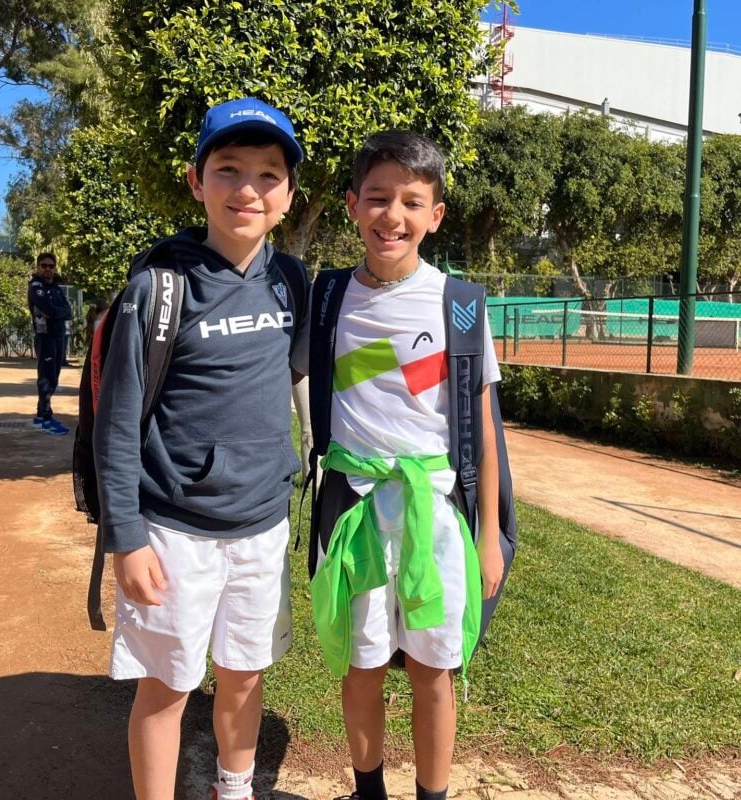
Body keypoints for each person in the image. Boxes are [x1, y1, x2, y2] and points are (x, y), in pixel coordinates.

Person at [92, 97, 307, 800]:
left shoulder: (292, 281)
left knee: (244, 677)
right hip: (173, 532)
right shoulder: (158, 288)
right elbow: (117, 425)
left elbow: (298, 379)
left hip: (262, 527)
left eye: (269, 174)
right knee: (166, 687)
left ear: (289, 194)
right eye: (229, 169)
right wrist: (127, 538)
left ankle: (232, 789)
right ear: (196, 181)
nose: (248, 189)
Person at [292, 131, 504, 800]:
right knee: (361, 668)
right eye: (377, 198)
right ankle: (369, 792)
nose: (393, 216)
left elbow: (485, 434)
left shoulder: (460, 304)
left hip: (435, 516)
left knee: (432, 672)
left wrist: (489, 536)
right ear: (353, 206)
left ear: (435, 215)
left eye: (412, 202)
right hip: (354, 510)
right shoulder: (327, 298)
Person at [28, 252, 72, 435]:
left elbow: (68, 311)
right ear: (38, 267)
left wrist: (56, 313)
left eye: (51, 266)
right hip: (45, 337)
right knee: (47, 378)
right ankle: (46, 417)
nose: (47, 269)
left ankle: (41, 416)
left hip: (58, 336)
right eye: (44, 265)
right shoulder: (36, 287)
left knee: (54, 376)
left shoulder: (56, 288)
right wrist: (56, 312)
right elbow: (50, 309)